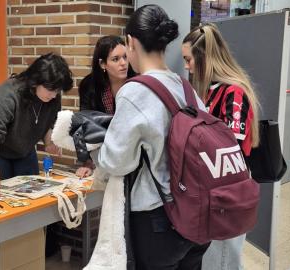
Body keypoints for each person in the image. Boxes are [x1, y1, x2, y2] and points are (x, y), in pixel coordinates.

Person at [89, 4, 210, 269]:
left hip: (159, 220)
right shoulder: (185, 86)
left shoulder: (135, 92)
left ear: (131, 42)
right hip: (197, 213)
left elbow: (115, 161)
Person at [182, 23, 260, 270]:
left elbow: (229, 148)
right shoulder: (206, 92)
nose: (186, 66)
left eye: (188, 59)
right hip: (210, 191)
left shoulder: (233, 93)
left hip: (227, 192)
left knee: (223, 262)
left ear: (204, 58)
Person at [0, 53, 73, 202]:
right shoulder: (8, 94)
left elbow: (47, 123)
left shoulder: (52, 95)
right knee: (3, 196)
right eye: (51, 90)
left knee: (32, 198)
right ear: (35, 81)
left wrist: (49, 141)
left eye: (58, 91)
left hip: (23, 146)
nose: (54, 95)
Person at [75, 35, 135, 178]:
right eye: (116, 59)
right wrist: (87, 162)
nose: (123, 63)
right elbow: (83, 125)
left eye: (125, 57)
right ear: (102, 64)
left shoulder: (137, 82)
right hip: (102, 154)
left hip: (133, 154)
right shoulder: (89, 86)